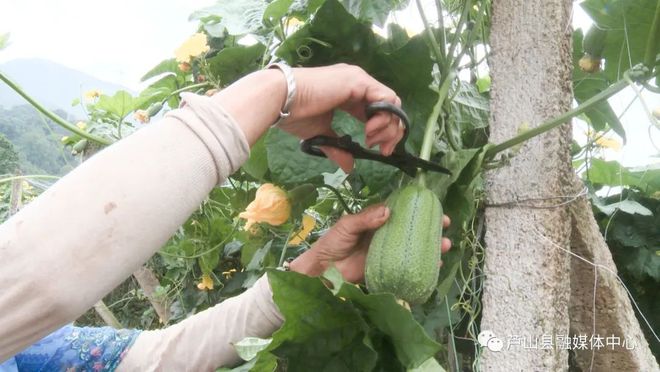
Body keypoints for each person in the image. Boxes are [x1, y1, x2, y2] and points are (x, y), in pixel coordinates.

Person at [0, 63, 452, 371]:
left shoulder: (32, 354)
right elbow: (33, 286)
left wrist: (314, 273)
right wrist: (276, 91)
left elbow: (152, 360)